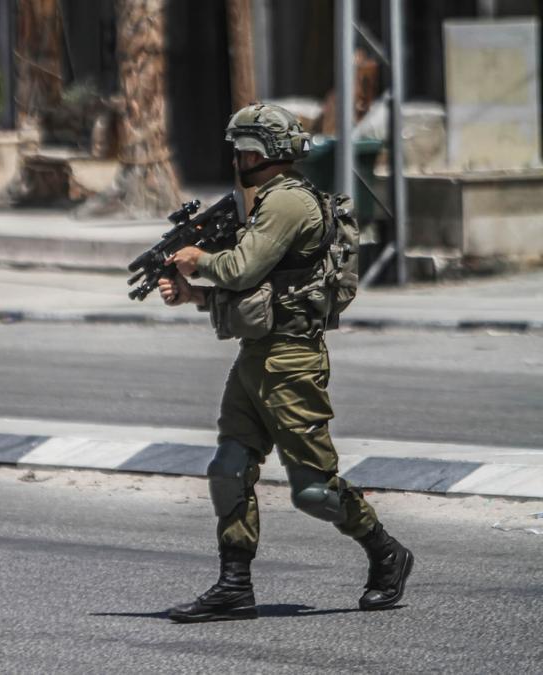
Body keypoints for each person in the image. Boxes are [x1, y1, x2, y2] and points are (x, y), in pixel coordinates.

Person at [157, 102, 413, 622]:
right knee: (228, 468)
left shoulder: (288, 203)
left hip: (292, 360)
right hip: (257, 356)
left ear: (263, 152)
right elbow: (263, 291)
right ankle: (234, 585)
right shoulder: (264, 201)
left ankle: (387, 553)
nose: (236, 157)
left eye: (242, 148)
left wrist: (196, 259)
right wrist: (194, 296)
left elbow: (240, 267)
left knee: (314, 490)